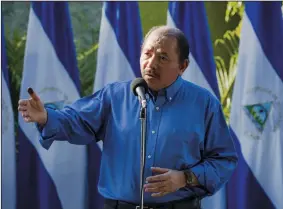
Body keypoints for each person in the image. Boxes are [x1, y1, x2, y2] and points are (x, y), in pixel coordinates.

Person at [18, 26, 238, 209]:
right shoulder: (116, 96)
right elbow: (77, 120)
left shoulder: (203, 103)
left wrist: (184, 178)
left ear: (182, 66)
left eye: (162, 57)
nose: (151, 64)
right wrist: (46, 117)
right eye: (147, 54)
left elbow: (224, 160)